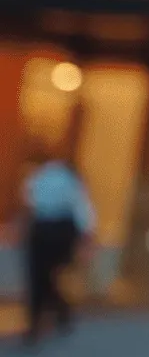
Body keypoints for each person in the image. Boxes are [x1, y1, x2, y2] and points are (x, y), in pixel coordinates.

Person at [18, 147, 94, 346]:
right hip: (63, 228)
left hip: (42, 226)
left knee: (38, 276)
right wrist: (87, 235)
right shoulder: (69, 176)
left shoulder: (36, 175)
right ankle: (60, 311)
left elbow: (29, 203)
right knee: (49, 275)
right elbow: (81, 206)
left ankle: (40, 321)